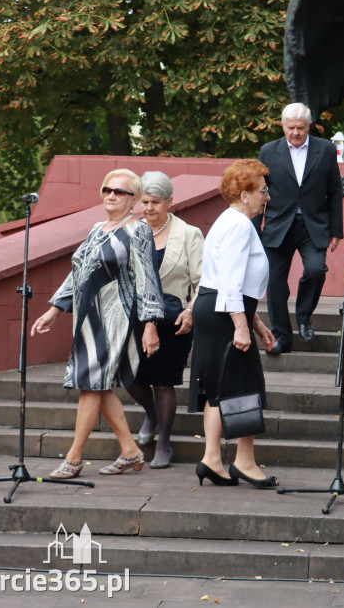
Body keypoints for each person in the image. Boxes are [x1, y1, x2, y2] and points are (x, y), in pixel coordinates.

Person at [31, 169, 164, 479]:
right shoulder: (97, 228)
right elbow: (79, 273)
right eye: (107, 189)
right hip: (88, 317)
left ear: (133, 200)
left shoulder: (138, 231)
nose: (111, 196)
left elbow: (147, 278)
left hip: (117, 315)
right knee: (99, 386)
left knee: (90, 387)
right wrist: (54, 309)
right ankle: (131, 450)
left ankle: (74, 458)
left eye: (119, 192)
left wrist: (150, 323)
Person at [188, 159, 278, 488]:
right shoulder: (240, 225)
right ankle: (244, 462)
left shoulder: (229, 221)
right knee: (244, 387)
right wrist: (241, 326)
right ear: (244, 195)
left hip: (217, 310)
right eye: (263, 191)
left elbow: (232, 284)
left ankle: (212, 459)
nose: (267, 197)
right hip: (224, 314)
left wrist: (255, 324)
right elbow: (229, 282)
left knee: (220, 388)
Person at [128, 171, 204, 469]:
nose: (148, 208)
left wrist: (192, 310)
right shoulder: (131, 231)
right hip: (134, 318)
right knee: (129, 376)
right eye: (144, 201)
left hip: (175, 320)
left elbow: (202, 280)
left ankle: (164, 441)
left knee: (162, 383)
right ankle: (152, 414)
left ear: (170, 202)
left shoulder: (189, 233)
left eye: (155, 202)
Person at [257, 103, 344, 354]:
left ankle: (304, 316)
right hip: (277, 225)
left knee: (316, 270)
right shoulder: (268, 151)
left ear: (309, 126)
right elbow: (258, 191)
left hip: (313, 225)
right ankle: (281, 336)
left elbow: (335, 190)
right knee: (274, 282)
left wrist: (336, 230)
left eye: (300, 128)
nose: (295, 132)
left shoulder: (325, 149)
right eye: (290, 127)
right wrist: (254, 229)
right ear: (282, 126)